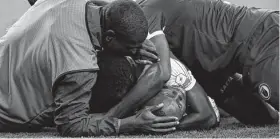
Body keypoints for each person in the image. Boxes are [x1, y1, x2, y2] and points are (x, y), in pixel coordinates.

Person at [0, 0, 181, 137]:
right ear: (110, 37)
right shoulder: (78, 65)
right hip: (8, 114)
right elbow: (71, 125)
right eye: (131, 48)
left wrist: (131, 45)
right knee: (117, 74)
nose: (136, 52)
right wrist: (128, 124)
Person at [136, 0, 279, 125]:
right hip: (225, 62)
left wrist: (116, 121)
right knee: (261, 117)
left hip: (262, 37)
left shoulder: (142, 16)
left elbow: (162, 73)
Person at [91, 51, 220, 131]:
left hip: (206, 105)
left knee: (168, 107)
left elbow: (208, 117)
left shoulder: (170, 72)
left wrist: (158, 125)